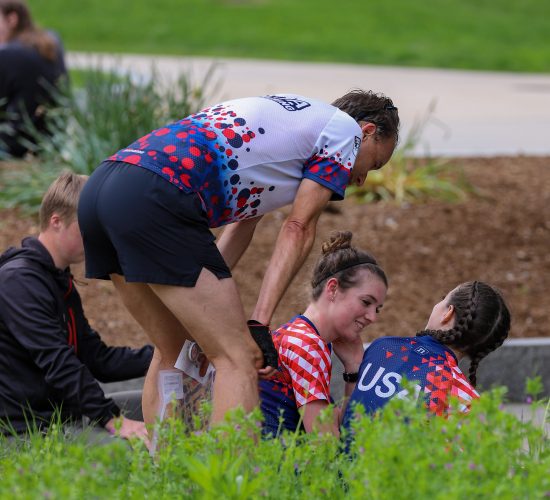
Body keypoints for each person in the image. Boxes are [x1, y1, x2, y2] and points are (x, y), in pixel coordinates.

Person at [77, 89, 400, 427]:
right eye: (374, 163)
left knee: (174, 348)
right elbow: (299, 227)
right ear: (366, 132)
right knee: (240, 358)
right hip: (156, 193)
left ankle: (163, 469)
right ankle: (233, 478)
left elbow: (240, 227)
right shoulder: (344, 132)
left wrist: (203, 306)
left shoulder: (295, 126)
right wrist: (258, 325)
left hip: (106, 186)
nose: (362, 179)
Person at [0, 171, 153, 441]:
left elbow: (96, 358)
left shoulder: (58, 279)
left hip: (66, 413)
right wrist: (113, 420)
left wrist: (164, 355)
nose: (96, 240)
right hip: (29, 430)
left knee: (166, 401)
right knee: (126, 451)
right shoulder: (19, 281)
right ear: (56, 221)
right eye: (87, 230)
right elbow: (59, 363)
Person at [259, 231, 388, 437]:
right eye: (366, 302)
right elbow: (326, 444)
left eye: (377, 309)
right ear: (333, 289)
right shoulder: (306, 344)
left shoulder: (299, 334)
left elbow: (337, 424)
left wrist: (354, 368)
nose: (373, 317)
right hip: (272, 464)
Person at [342, 281, 511, 433]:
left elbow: (349, 420)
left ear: (448, 313)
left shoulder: (382, 347)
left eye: (444, 298)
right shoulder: (466, 401)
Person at [0, 0, 67, 158]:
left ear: (11, 20)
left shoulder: (9, 54)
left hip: (14, 147)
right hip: (51, 142)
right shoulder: (52, 40)